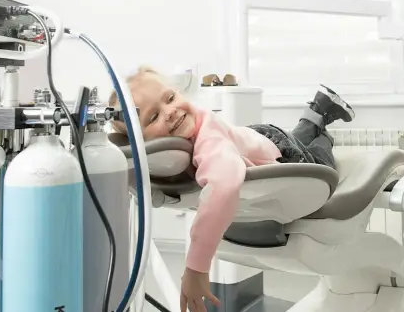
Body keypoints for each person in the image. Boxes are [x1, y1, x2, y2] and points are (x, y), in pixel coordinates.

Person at [108, 66, 355, 312]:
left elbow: (224, 186)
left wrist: (196, 267)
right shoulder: (178, 140)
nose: (170, 112)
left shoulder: (208, 140)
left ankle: (323, 130)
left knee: (319, 159)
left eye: (170, 98)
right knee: (296, 137)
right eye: (153, 117)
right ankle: (316, 109)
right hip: (255, 136)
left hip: (278, 148)